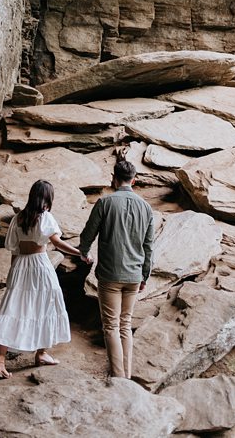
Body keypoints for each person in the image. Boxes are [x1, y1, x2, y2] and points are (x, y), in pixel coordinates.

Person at [0, 179, 91, 379]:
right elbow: (57, 243)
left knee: (12, 309)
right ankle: (41, 352)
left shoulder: (18, 218)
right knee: (47, 305)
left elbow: (15, 250)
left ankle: (1, 361)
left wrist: (13, 273)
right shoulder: (45, 217)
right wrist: (79, 253)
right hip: (39, 266)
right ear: (47, 198)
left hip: (20, 265)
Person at [79, 158, 154, 380]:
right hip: (134, 275)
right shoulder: (146, 207)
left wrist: (84, 252)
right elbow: (149, 246)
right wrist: (145, 275)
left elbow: (88, 234)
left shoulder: (105, 203)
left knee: (111, 326)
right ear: (134, 180)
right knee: (125, 324)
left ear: (114, 178)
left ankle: (118, 377)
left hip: (110, 274)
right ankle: (127, 376)